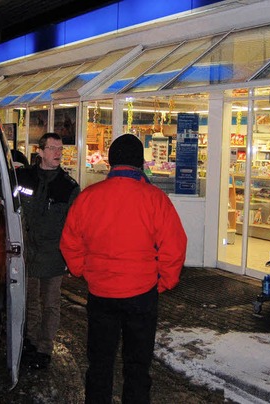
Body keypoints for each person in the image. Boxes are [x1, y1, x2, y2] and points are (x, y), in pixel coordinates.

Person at [60, 134, 187, 403]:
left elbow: (70, 242)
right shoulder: (155, 198)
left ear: (111, 162)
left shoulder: (89, 197)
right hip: (141, 293)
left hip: (101, 293)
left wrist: (85, 271)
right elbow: (174, 247)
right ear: (140, 163)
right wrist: (162, 282)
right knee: (138, 365)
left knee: (100, 362)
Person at [15, 132, 80, 370]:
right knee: (30, 301)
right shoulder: (23, 177)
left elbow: (75, 224)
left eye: (60, 149)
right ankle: (30, 343)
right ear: (40, 151)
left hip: (54, 255)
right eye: (53, 149)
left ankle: (44, 348)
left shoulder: (68, 186)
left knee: (51, 304)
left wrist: (72, 256)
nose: (58, 154)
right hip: (28, 252)